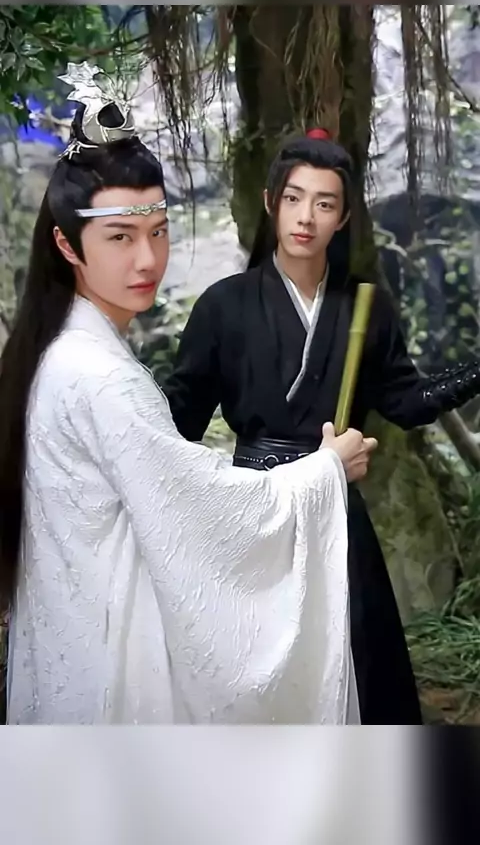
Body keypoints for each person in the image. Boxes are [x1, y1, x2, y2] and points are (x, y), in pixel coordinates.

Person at [0, 64, 376, 725]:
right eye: (120, 237)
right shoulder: (98, 374)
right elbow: (194, 504)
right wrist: (323, 472)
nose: (148, 259)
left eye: (158, 230)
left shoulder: (63, 351)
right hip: (108, 645)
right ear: (66, 244)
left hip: (79, 628)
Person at [163, 128, 480, 725]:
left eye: (324, 203)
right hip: (255, 507)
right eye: (293, 198)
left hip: (335, 509)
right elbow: (181, 420)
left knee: (361, 658)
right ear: (270, 203)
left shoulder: (365, 307)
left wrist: (474, 371)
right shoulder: (223, 306)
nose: (306, 217)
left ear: (344, 216)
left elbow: (406, 402)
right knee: (258, 667)